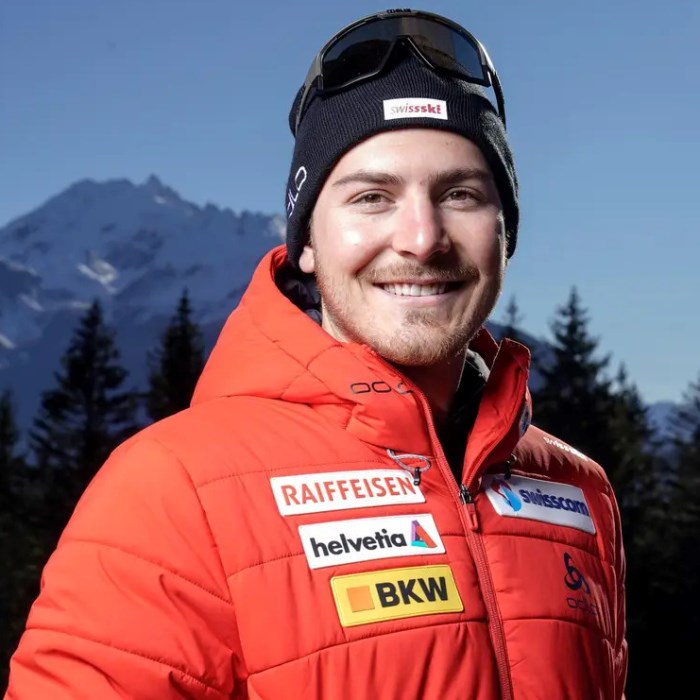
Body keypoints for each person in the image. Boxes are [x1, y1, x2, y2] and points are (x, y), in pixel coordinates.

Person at [5, 8, 628, 699]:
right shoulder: (174, 487)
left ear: (505, 233)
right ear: (305, 242)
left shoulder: (578, 491)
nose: (422, 238)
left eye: (460, 194)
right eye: (372, 197)